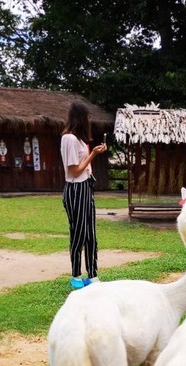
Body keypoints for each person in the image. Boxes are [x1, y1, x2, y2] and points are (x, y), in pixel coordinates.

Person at [60, 102, 108, 290]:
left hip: (86, 187)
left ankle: (93, 274)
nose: (89, 120)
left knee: (91, 234)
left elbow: (84, 169)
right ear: (80, 118)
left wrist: (94, 152)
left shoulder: (80, 140)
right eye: (87, 117)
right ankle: (76, 275)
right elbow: (74, 170)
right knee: (78, 233)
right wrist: (93, 154)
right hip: (76, 189)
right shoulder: (69, 139)